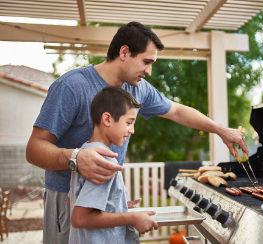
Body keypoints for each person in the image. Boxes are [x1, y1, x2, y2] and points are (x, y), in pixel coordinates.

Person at [26, 21, 248, 244]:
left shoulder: (137, 88)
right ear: (124, 52)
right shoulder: (71, 87)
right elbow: (34, 149)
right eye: (146, 62)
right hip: (67, 200)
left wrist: (221, 130)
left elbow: (178, 112)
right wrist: (75, 158)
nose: (149, 71)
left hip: (104, 204)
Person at [68, 86, 157, 243]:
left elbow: (73, 201)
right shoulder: (104, 160)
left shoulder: (86, 153)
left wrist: (118, 205)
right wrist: (131, 217)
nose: (132, 130)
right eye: (129, 122)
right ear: (107, 119)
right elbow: (80, 218)